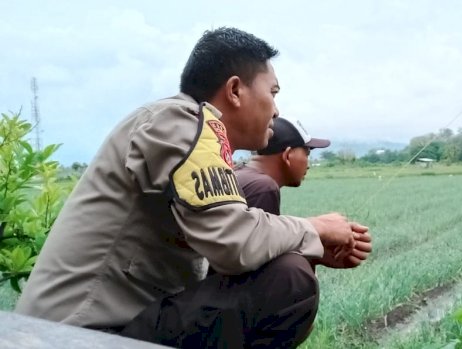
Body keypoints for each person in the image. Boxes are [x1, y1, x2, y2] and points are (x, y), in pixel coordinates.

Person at [14, 27, 371, 349]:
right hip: (79, 335)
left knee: (284, 262)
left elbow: (228, 241)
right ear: (234, 90)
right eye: (273, 92)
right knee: (288, 280)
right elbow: (235, 240)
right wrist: (314, 228)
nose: (276, 110)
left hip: (105, 328)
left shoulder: (196, 135)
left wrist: (311, 246)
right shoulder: (182, 122)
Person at [235, 117, 371, 269]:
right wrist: (319, 231)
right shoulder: (263, 187)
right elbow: (257, 262)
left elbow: (261, 247)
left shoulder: (242, 174)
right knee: (296, 274)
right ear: (287, 155)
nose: (309, 164)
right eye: (307, 153)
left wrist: (320, 250)